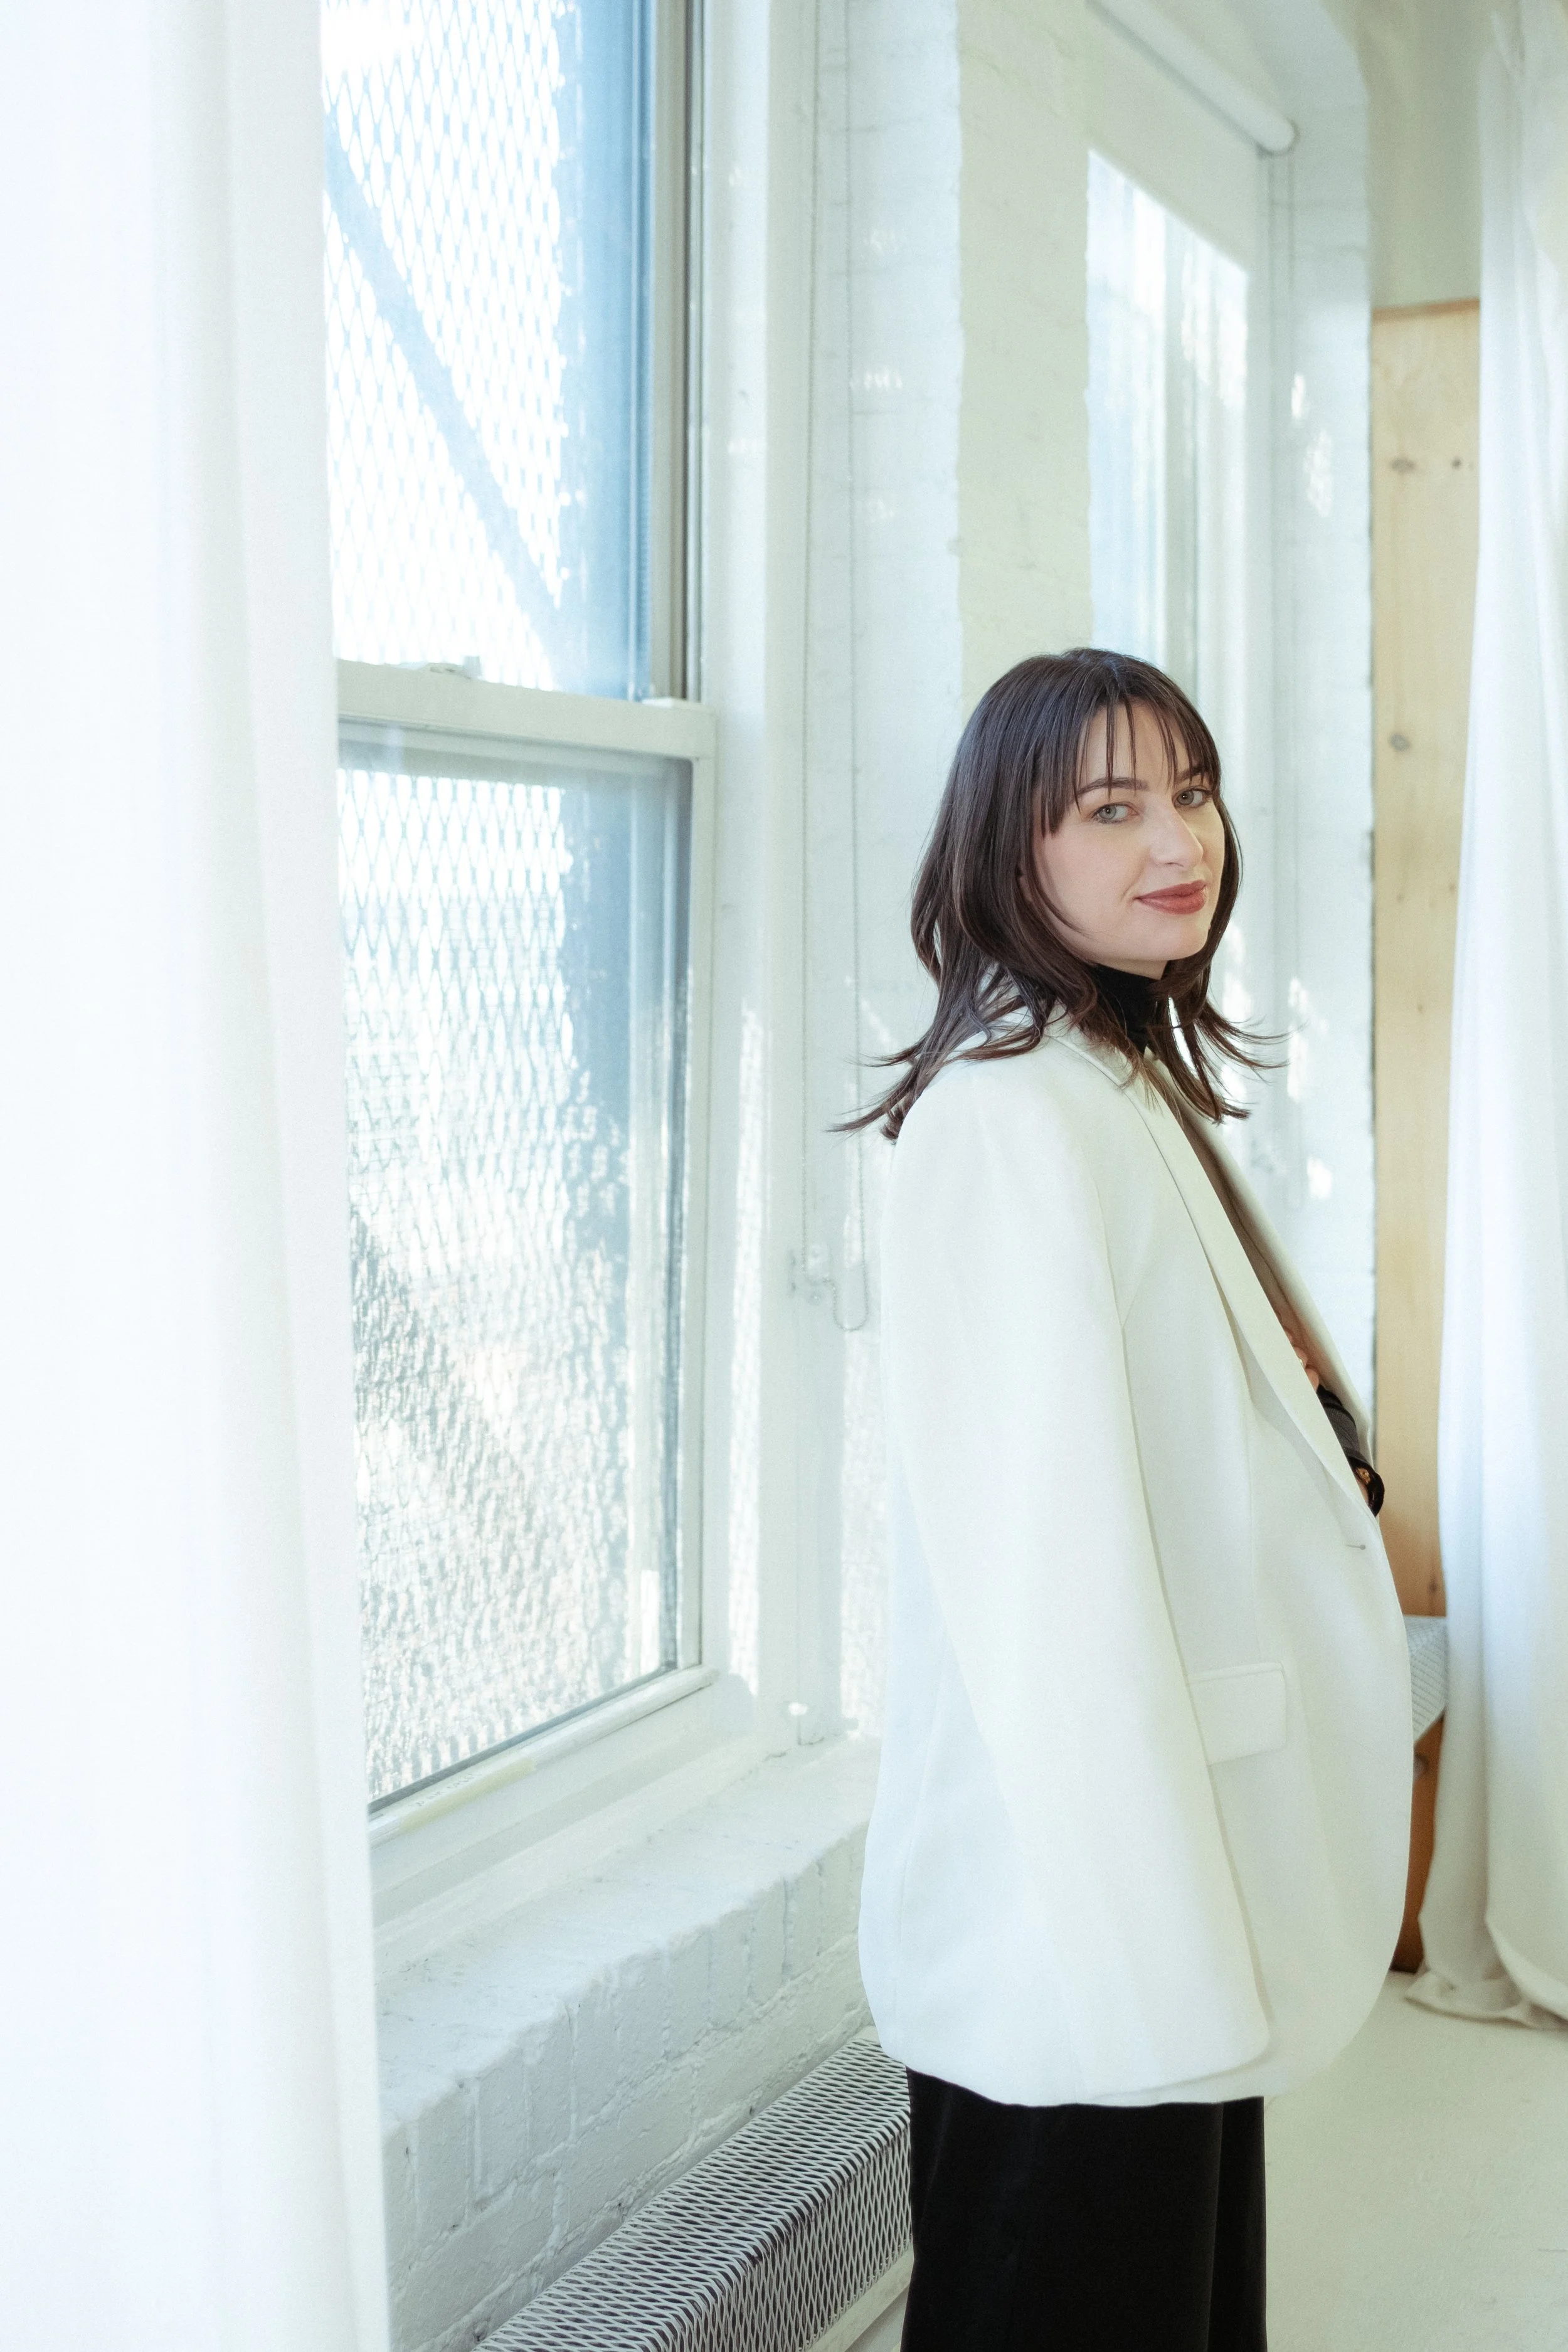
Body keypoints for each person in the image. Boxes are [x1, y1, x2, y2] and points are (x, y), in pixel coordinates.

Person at [855, 650, 1412, 2350]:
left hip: (1170, 1869)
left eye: (1187, 789)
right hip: (1097, 1902)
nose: (1176, 839)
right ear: (1001, 845)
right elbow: (1040, 1584)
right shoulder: (1009, 1120)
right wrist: (1152, 1946)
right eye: (1108, 807)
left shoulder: (1103, 1068)